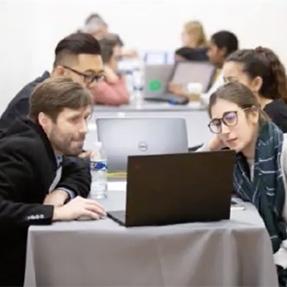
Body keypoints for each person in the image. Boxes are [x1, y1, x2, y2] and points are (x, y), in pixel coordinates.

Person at [0, 77, 106, 286]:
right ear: (45, 120)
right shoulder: (21, 150)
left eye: (86, 118)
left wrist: (63, 192)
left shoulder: (51, 140)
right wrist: (56, 212)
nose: (84, 128)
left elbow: (79, 164)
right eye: (74, 119)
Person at [204, 81, 287, 286]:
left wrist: (271, 262)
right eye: (217, 123)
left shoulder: (283, 152)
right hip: (259, 259)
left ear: (253, 114)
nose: (223, 129)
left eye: (230, 118)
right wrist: (211, 145)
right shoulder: (234, 162)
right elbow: (184, 178)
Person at [0, 32, 104, 129]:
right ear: (60, 73)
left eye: (98, 77)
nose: (95, 85)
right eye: (88, 76)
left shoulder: (62, 100)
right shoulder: (31, 102)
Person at [223, 47, 287, 132]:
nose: (225, 87)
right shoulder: (247, 111)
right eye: (225, 81)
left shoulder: (277, 116)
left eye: (233, 81)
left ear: (256, 83)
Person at [168, 30, 238, 103]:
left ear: (222, 51)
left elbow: (210, 100)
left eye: (210, 49)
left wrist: (183, 93)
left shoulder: (229, 72)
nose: (208, 54)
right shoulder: (229, 70)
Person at [91, 36, 129, 106]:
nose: (119, 62)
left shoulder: (111, 76)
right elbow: (122, 99)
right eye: (117, 58)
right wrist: (115, 81)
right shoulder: (95, 81)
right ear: (105, 58)